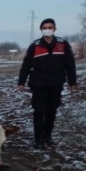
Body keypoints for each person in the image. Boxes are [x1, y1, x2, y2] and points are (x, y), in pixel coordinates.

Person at [18, 18, 77, 148]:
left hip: (56, 84)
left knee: (52, 110)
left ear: (54, 29)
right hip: (38, 84)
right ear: (41, 30)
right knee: (39, 110)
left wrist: (72, 81)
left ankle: (47, 136)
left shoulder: (62, 44)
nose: (47, 30)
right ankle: (38, 139)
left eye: (50, 27)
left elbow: (70, 64)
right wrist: (21, 82)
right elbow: (26, 65)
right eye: (45, 28)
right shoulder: (35, 45)